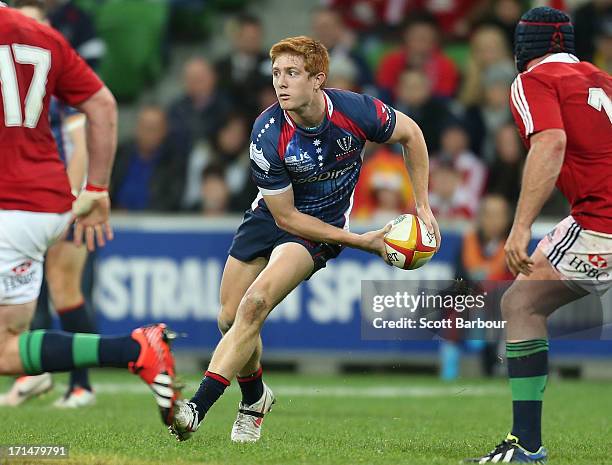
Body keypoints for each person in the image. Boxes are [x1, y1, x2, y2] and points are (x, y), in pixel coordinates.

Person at [168, 35, 440, 444]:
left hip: (320, 227)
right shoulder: (266, 133)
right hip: (275, 215)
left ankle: (197, 407)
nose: (281, 82)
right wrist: (360, 241)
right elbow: (285, 216)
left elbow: (412, 134)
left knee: (256, 303)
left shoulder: (356, 111)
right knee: (229, 318)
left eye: (292, 73)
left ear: (318, 79)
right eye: (277, 73)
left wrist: (422, 204)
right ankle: (256, 398)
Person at [0, 4, 178, 426]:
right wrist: (96, 189)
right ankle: (135, 350)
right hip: (42, 207)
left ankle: (116, 362)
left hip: (9, 206)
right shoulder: (44, 35)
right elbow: (102, 103)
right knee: (7, 349)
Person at [466, 7, 612, 463]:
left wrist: (521, 226)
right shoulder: (601, 79)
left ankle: (526, 444)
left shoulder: (532, 81)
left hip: (600, 221)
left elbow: (551, 142)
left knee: (520, 303)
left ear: (523, 48)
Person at [0, 0, 96, 408]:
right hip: (26, 199)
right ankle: (31, 373)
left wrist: (72, 200)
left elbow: (81, 143)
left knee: (64, 289)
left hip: (57, 199)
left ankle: (82, 385)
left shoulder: (56, 75)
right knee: (26, 292)